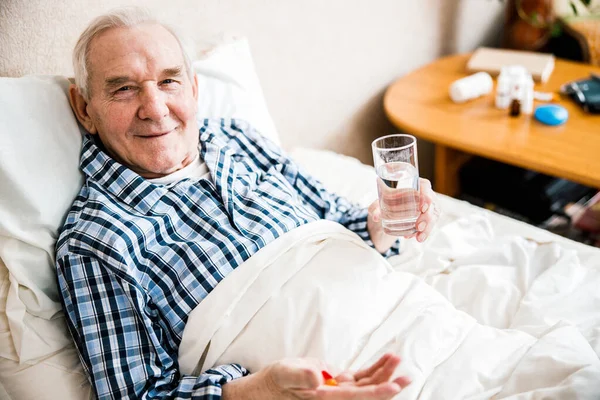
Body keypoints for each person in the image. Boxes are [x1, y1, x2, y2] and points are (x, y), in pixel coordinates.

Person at [57, 8, 438, 400]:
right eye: (124, 88)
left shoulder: (236, 138)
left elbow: (343, 220)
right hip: (325, 383)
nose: (154, 108)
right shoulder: (94, 241)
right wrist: (260, 389)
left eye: (169, 81)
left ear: (194, 89)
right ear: (85, 108)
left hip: (415, 321)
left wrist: (388, 220)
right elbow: (140, 394)